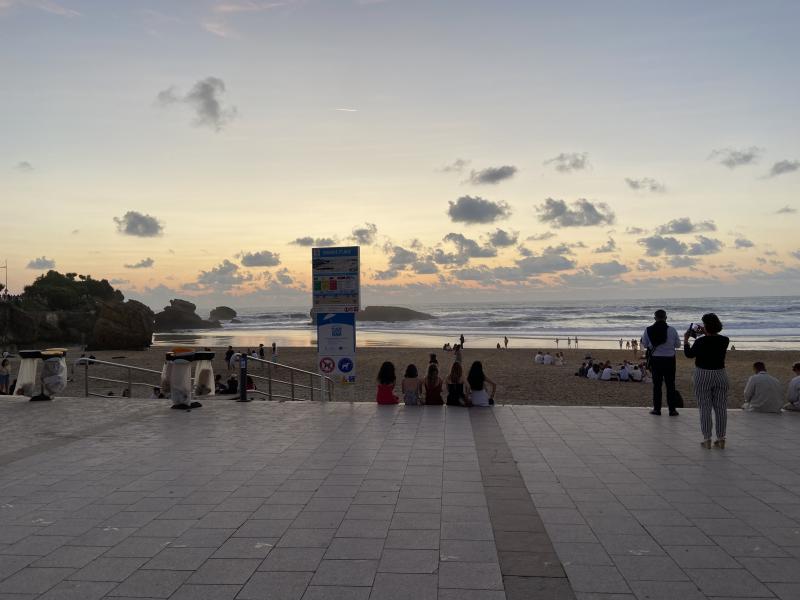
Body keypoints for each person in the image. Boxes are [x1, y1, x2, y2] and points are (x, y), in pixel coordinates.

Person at [684, 313, 730, 449]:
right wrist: (705, 332)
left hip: (702, 374)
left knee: (705, 407)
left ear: (706, 326)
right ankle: (721, 438)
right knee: (721, 408)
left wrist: (686, 340)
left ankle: (707, 438)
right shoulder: (724, 340)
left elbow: (689, 355)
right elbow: (713, 341)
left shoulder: (699, 342)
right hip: (720, 374)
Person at [641, 309, 682, 416]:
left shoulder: (648, 330)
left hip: (656, 360)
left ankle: (657, 409)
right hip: (669, 360)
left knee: (657, 385)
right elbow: (678, 345)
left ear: (655, 318)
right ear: (666, 318)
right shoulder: (672, 330)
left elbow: (645, 344)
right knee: (670, 385)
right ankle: (672, 410)